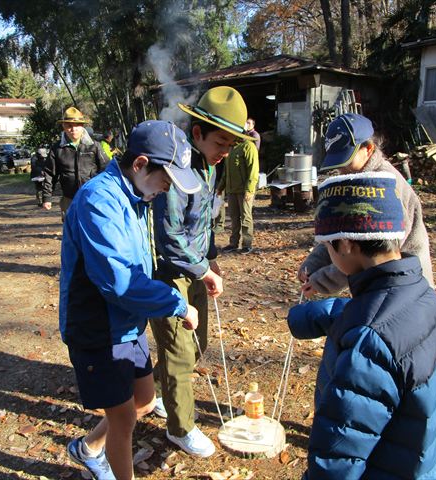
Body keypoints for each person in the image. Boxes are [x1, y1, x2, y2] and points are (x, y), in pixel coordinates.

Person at [60, 120, 201, 480]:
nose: (166, 188)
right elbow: (119, 281)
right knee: (123, 417)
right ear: (140, 165)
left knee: (143, 400)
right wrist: (178, 303)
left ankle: (87, 447)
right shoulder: (98, 200)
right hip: (97, 327)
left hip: (126, 321)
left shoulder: (138, 195)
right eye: (165, 179)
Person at [287, 171, 436, 479]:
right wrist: (312, 316)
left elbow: (338, 457)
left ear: (346, 244)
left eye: (329, 247)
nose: (331, 256)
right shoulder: (421, 295)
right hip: (417, 461)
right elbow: (381, 319)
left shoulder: (367, 345)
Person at [151, 86, 256, 457]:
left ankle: (158, 392)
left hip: (196, 268)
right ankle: (180, 427)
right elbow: (168, 236)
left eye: (231, 146)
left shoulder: (212, 166)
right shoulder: (176, 170)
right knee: (179, 349)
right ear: (197, 133)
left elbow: (205, 223)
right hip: (167, 273)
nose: (225, 152)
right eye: (221, 143)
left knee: (196, 345)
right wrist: (201, 268)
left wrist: (210, 260)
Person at [298, 113, 434, 296]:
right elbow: (339, 232)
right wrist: (313, 263)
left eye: (346, 160)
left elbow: (365, 255)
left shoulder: (383, 187)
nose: (341, 169)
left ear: (368, 149)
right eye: (337, 163)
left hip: (405, 282)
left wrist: (322, 281)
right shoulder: (354, 179)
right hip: (377, 282)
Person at [41, 107, 110, 221]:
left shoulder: (94, 146)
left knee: (92, 229)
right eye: (69, 126)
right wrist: (47, 197)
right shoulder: (57, 149)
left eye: (77, 125)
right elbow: (49, 173)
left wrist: (105, 192)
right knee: (71, 231)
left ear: (82, 127)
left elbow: (106, 169)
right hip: (69, 199)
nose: (73, 129)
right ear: (64, 127)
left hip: (93, 197)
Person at [217, 138, 259, 254]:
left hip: (244, 190)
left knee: (245, 217)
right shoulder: (231, 146)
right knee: (234, 218)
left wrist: (249, 190)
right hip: (232, 190)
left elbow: (253, 170)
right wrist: (220, 187)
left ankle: (247, 244)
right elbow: (226, 172)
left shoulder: (248, 146)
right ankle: (233, 243)